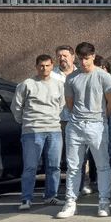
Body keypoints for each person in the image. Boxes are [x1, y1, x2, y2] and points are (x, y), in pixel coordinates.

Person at [55, 42, 111, 218]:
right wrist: (79, 118)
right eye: (81, 59)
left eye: (87, 58)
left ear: (94, 56)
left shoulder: (104, 76)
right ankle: (70, 202)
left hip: (97, 124)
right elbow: (69, 103)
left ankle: (104, 201)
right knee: (73, 166)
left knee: (102, 165)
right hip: (75, 125)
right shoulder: (72, 77)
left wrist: (102, 118)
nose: (84, 62)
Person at [12, 54, 66, 211]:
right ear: (36, 66)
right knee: (30, 167)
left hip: (54, 130)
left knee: (54, 166)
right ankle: (26, 199)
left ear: (52, 66)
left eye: (48, 65)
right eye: (41, 65)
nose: (45, 68)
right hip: (32, 131)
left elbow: (62, 106)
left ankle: (51, 196)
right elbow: (16, 107)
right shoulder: (26, 84)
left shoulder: (59, 85)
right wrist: (26, 123)